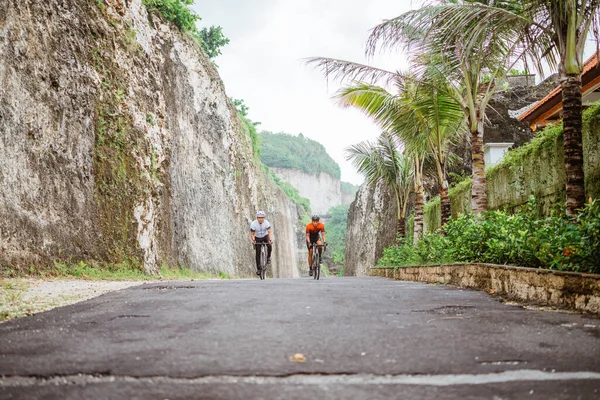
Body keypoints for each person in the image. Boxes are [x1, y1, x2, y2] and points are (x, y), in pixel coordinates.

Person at [250, 210, 273, 275]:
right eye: (259, 217)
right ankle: (258, 269)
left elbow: (269, 232)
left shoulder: (266, 223)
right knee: (257, 253)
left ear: (264, 218)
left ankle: (268, 257)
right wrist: (253, 240)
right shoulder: (253, 224)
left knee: (269, 245)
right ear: (257, 218)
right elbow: (252, 234)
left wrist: (270, 240)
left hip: (265, 236)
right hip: (257, 237)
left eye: (262, 217)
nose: (260, 219)